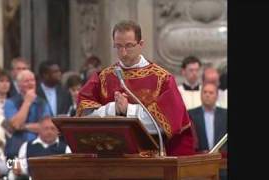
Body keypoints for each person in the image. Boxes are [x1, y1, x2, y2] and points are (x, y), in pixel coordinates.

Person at [77, 20, 195, 156]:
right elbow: (84, 116)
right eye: (118, 46)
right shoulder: (103, 77)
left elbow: (164, 125)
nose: (123, 52)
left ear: (141, 45)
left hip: (150, 160)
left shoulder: (162, 78)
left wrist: (128, 110)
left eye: (129, 46)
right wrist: (112, 109)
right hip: (110, 159)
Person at [4, 70, 52, 159]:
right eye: (26, 81)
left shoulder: (43, 103)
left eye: (32, 80)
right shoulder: (10, 102)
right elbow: (16, 124)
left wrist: (24, 126)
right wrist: (27, 101)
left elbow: (46, 127)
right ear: (18, 85)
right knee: (13, 171)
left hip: (38, 150)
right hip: (15, 150)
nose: (30, 83)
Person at [188, 82, 227, 180]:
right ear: (201, 95)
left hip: (223, 167)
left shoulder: (226, 115)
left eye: (211, 92)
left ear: (217, 95)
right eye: (204, 92)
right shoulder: (191, 114)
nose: (207, 95)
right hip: (200, 167)